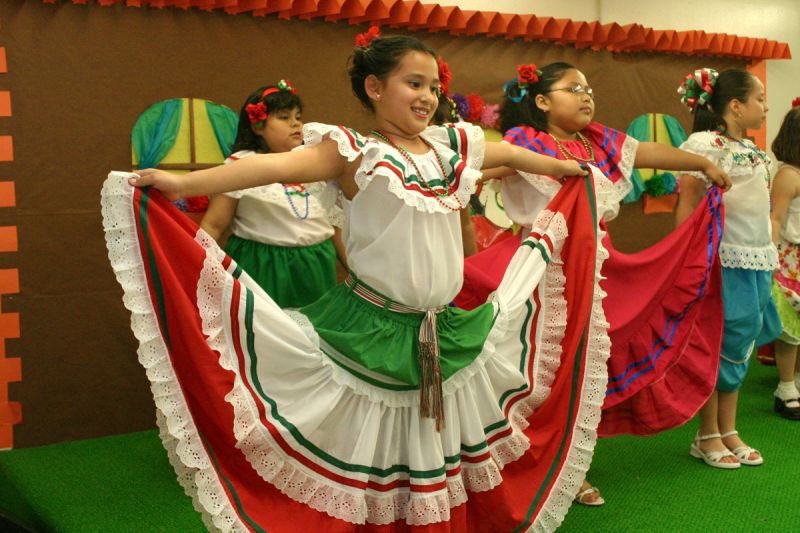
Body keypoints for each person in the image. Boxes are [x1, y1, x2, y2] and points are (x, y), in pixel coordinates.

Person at [101, 28, 616, 531]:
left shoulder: (448, 146)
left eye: (433, 87)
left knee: (432, 445)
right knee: (376, 453)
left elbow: (505, 154)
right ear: (375, 88)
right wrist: (183, 183)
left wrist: (563, 168)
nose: (427, 96)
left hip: (443, 328)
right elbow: (263, 169)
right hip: (373, 328)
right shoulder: (353, 151)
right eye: (413, 83)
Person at [456, 62, 731, 504]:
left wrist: (700, 163)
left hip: (596, 264)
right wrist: (451, 182)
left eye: (588, 88)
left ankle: (573, 462)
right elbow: (486, 172)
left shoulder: (598, 141)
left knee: (587, 366)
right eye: (573, 88)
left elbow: (647, 153)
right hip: (538, 267)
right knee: (540, 367)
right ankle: (525, 458)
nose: (586, 96)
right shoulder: (523, 144)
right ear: (542, 100)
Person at [676, 67, 781, 467]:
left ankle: (729, 428)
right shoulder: (705, 144)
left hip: (757, 258)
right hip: (723, 259)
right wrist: (687, 261)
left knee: (742, 342)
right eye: (758, 98)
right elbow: (687, 202)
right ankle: (707, 434)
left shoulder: (752, 148)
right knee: (717, 343)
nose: (764, 105)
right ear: (735, 106)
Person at [200, 81, 345, 308]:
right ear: (258, 126)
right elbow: (215, 224)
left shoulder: (317, 164)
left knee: (313, 333)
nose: (295, 123)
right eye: (284, 117)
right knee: (261, 332)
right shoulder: (241, 165)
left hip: (315, 266)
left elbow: (336, 226)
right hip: (261, 265)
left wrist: (356, 273)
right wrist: (194, 268)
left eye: (298, 116)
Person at [767, 101, 800, 420]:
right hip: (790, 260)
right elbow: (775, 219)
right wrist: (772, 258)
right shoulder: (788, 175)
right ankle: (786, 387)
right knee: (790, 328)